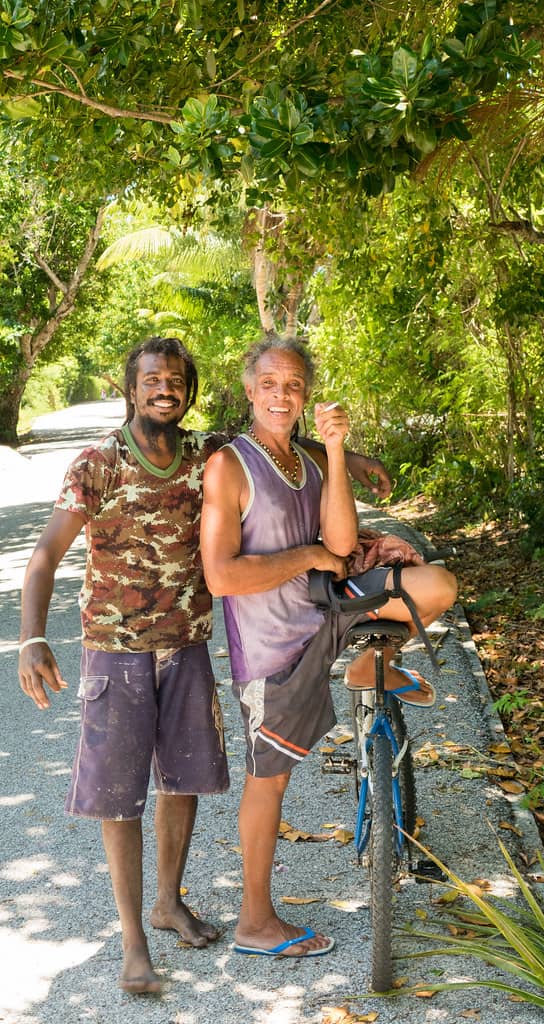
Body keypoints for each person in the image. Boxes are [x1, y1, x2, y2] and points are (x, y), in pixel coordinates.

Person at [17, 335, 392, 994]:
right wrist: (31, 639)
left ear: (187, 392)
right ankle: (134, 941)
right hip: (116, 647)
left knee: (181, 781)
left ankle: (167, 901)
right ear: (131, 388)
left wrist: (348, 459)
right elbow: (46, 555)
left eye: (175, 381)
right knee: (121, 796)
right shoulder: (96, 464)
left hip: (186, 643)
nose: (164, 388)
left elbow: (277, 432)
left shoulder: (203, 452)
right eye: (151, 379)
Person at [199, 335, 458, 958]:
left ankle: (372, 664)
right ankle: (255, 922)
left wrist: (339, 454)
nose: (281, 396)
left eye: (293, 385)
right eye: (269, 384)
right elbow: (222, 577)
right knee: (271, 781)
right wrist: (311, 556)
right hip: (273, 649)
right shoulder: (230, 466)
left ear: (306, 394)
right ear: (248, 389)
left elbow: (339, 544)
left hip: (329, 611)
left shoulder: (308, 462)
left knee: (436, 584)